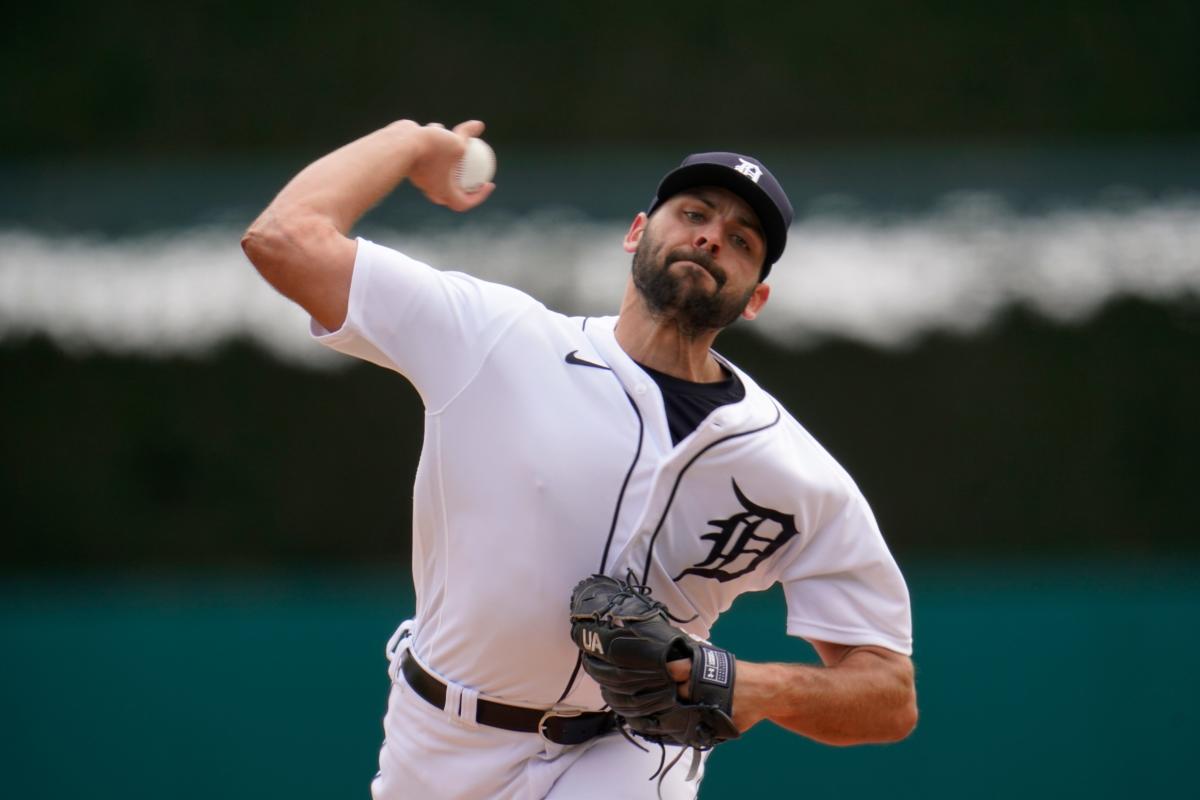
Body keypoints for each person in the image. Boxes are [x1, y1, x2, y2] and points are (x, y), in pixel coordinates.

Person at [241, 119, 917, 800]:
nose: (711, 236)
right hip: (443, 739)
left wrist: (757, 687)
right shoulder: (495, 338)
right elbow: (282, 240)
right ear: (635, 233)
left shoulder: (794, 470)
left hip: (631, 751)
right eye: (693, 214)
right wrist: (412, 143)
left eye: (742, 241)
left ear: (756, 299)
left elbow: (890, 695)